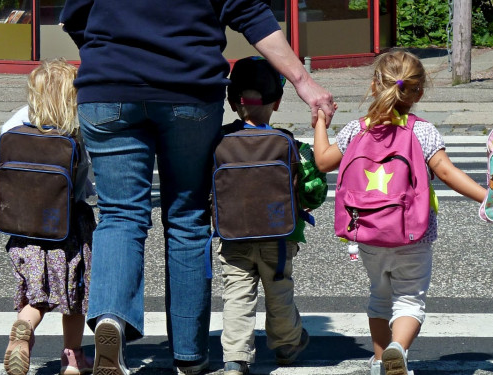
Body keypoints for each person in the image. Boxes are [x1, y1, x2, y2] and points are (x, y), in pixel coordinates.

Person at [58, 0, 335, 374]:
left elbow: (74, 16)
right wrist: (304, 82)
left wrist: (110, 56)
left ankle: (110, 320)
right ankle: (189, 356)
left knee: (120, 214)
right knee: (187, 215)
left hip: (108, 88)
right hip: (187, 90)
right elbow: (251, 15)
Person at [312, 49, 486, 375]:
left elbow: (322, 161)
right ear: (418, 91)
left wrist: (321, 122)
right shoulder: (422, 132)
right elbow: (447, 173)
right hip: (413, 235)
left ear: (375, 85)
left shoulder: (357, 129)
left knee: (379, 297)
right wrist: (488, 199)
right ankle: (397, 349)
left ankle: (380, 362)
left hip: (367, 231)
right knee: (409, 300)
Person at [217, 57, 327, 375]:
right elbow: (314, 189)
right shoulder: (288, 143)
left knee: (237, 292)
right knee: (279, 289)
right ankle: (287, 343)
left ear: (231, 100)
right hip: (279, 237)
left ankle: (235, 357)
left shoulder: (219, 141)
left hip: (232, 234)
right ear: (276, 103)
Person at [2, 59, 95, 375]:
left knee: (35, 294)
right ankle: (73, 360)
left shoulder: (13, 126)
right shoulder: (76, 133)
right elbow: (83, 184)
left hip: (24, 229)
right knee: (74, 298)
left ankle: (24, 327)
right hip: (67, 231)